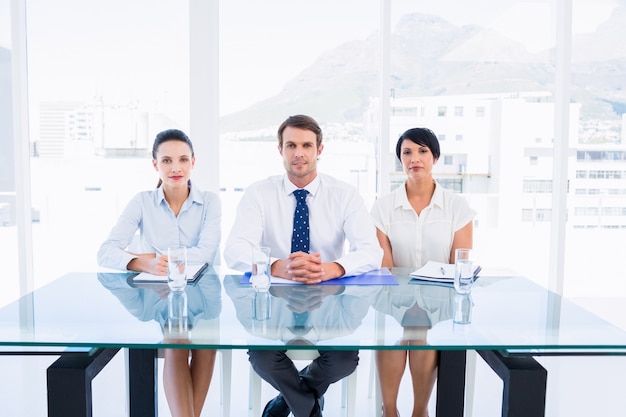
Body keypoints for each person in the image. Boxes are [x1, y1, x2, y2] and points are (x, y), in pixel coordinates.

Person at [224, 114, 383, 417]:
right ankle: (310, 409)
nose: (299, 153)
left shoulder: (344, 194)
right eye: (291, 145)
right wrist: (275, 266)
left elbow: (370, 251)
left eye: (307, 145)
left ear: (319, 149)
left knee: (343, 360)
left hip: (329, 303)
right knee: (262, 358)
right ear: (280, 150)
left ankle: (285, 402)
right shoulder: (259, 193)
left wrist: (333, 268)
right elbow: (233, 250)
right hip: (272, 303)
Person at [97, 128, 221, 417]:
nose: (175, 168)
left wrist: (157, 256)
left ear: (193, 162)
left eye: (182, 160)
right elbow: (106, 251)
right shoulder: (142, 201)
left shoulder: (210, 202)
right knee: (176, 340)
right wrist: (145, 263)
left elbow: (207, 252)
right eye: (166, 161)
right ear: (155, 165)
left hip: (203, 297)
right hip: (156, 297)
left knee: (206, 344)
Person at [370, 127, 476, 417]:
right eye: (407, 152)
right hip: (393, 299)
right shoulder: (383, 207)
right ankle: (389, 410)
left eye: (422, 151)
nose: (414, 158)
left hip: (440, 300)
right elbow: (385, 268)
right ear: (400, 160)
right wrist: (405, 302)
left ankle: (420, 410)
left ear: (435, 157)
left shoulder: (457, 206)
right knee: (398, 331)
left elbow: (460, 265)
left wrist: (426, 300)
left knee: (419, 332)